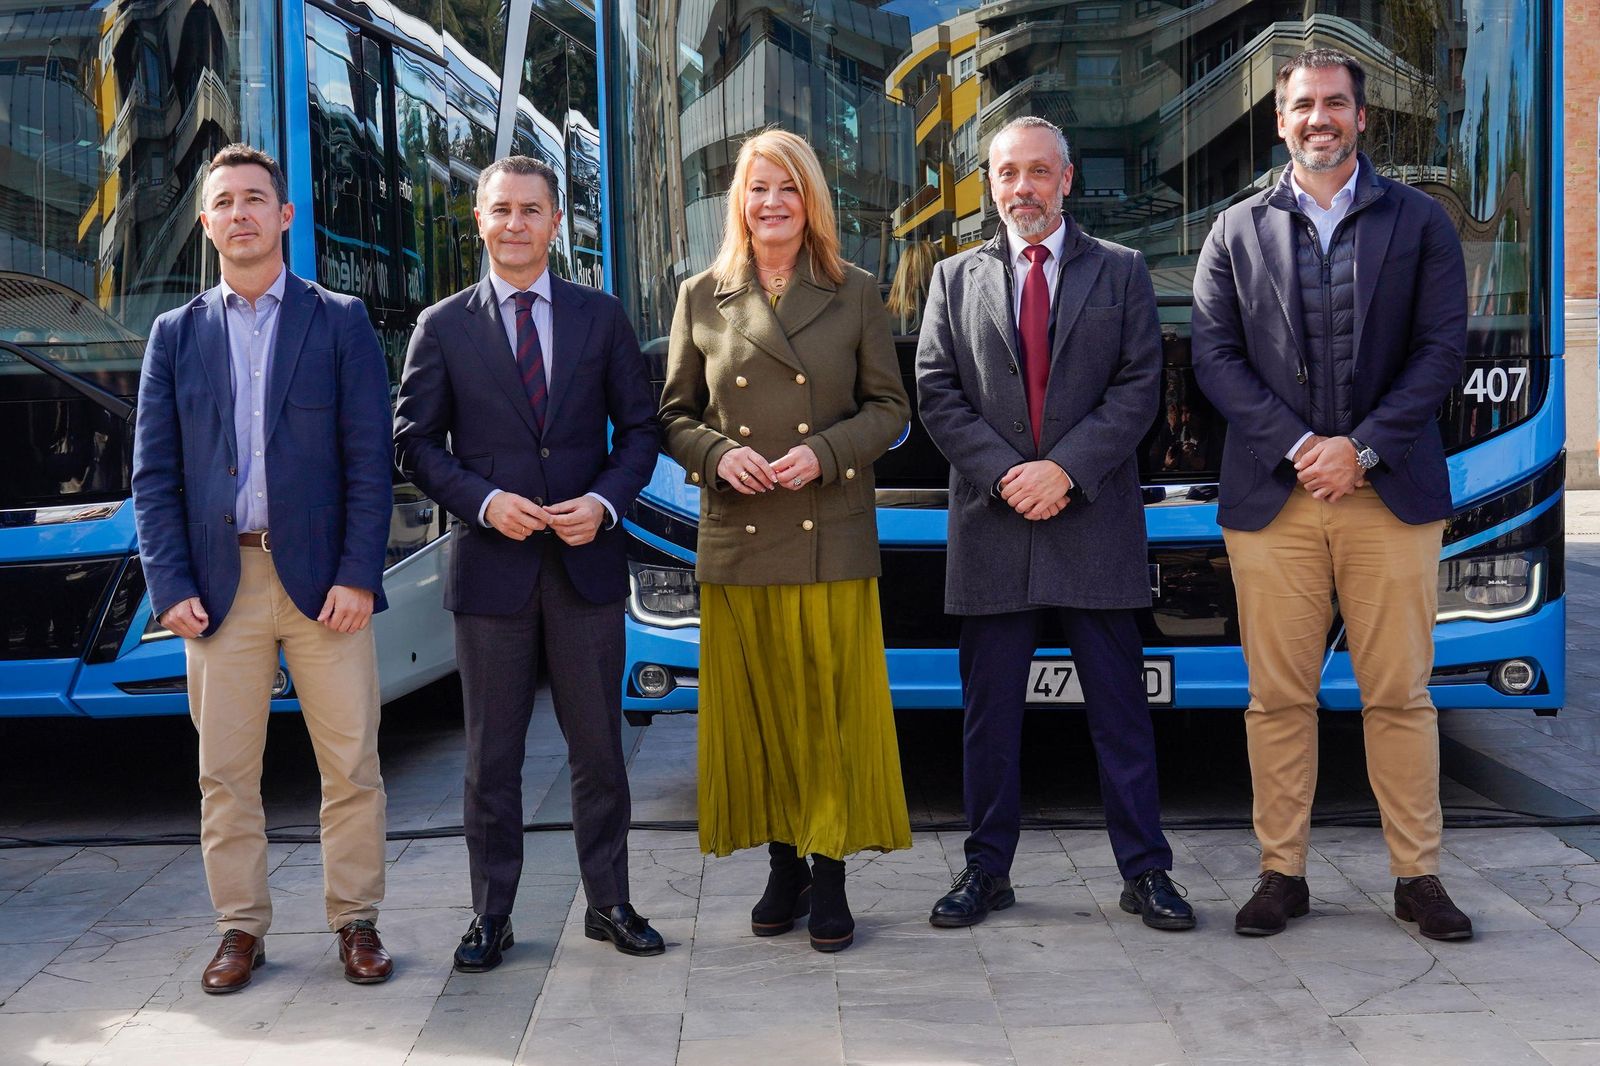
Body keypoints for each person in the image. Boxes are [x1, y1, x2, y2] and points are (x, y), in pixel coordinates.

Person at [1191, 48, 1472, 940]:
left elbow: (1441, 349)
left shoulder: (1421, 222)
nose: (1320, 118)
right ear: (1280, 121)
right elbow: (1214, 359)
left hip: (1389, 498)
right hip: (1276, 502)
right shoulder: (1234, 230)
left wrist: (1364, 450)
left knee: (1400, 695)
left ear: (1361, 117)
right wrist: (1306, 447)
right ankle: (1282, 872)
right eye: (1303, 105)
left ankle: (1417, 877)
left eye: (1336, 104)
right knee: (1278, 700)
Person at [915, 116, 1194, 933]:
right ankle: (985, 871)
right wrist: (1009, 475)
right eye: (1008, 174)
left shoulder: (1123, 272)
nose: (1023, 188)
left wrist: (1064, 471)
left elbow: (1139, 388)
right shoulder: (951, 279)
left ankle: (1146, 873)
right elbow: (937, 392)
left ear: (1067, 179)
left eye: (1039, 172)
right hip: (993, 525)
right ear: (990, 184)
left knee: (1120, 715)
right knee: (988, 719)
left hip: (1092, 524)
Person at [131, 144, 395, 993]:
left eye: (255, 199)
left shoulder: (339, 320)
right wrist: (170, 587)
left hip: (325, 588)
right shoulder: (174, 336)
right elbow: (154, 476)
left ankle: (357, 922)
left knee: (350, 765)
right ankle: (240, 929)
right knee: (224, 774)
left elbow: (368, 460)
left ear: (285, 216)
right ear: (205, 223)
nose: (240, 213)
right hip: (218, 586)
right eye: (223, 202)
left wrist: (359, 574)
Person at [394, 156, 664, 968]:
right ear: (477, 220)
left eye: (531, 210)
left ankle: (609, 902)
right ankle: (491, 916)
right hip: (491, 571)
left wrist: (605, 503)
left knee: (598, 749)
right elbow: (412, 442)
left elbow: (642, 431)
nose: (515, 223)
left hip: (585, 564)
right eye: (500, 209)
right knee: (492, 758)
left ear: (556, 224)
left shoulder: (601, 316)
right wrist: (481, 502)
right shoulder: (442, 326)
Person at [659, 129, 912, 953]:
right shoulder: (701, 294)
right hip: (739, 535)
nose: (771, 203)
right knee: (762, 708)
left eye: (788, 190)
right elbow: (672, 416)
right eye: (758, 189)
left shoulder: (855, 291)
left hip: (827, 530)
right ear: (739, 201)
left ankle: (830, 864)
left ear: (811, 204)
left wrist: (825, 452)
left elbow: (889, 408)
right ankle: (782, 863)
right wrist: (721, 455)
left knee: (827, 710)